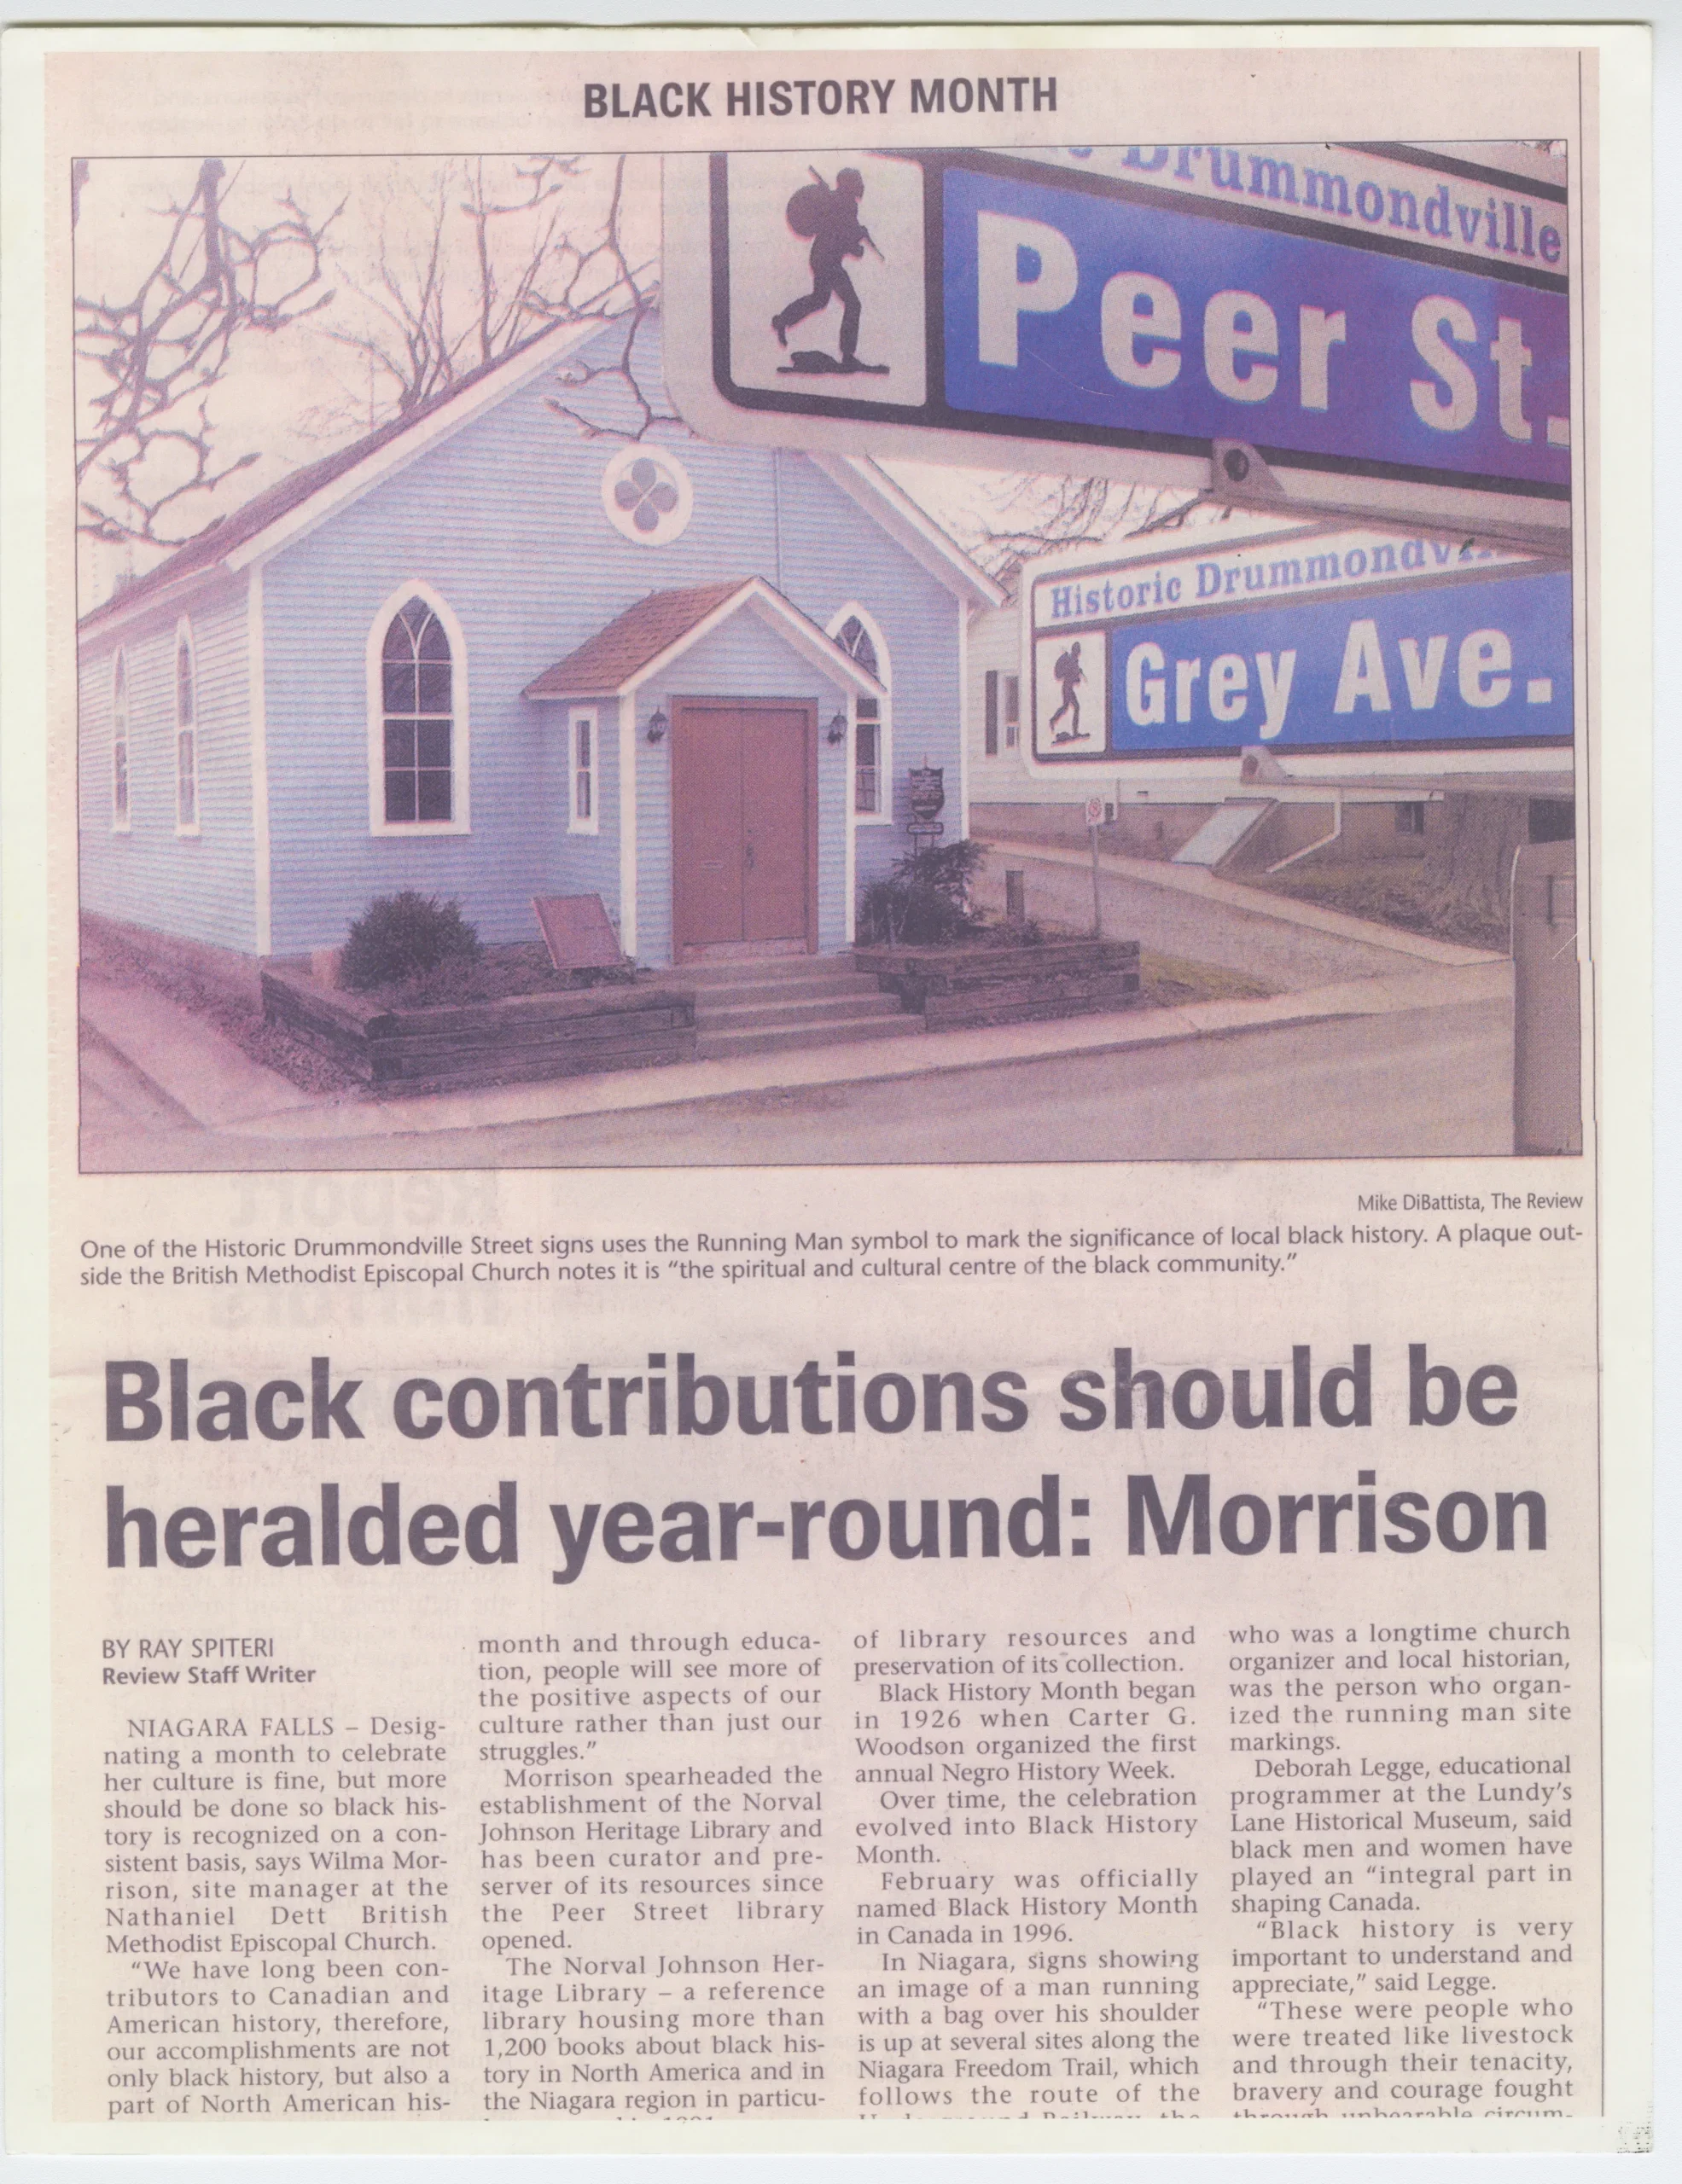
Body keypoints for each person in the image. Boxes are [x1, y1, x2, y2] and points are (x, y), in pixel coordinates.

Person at [773, 168, 871, 366]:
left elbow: (843, 235)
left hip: (823, 258)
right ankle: (848, 356)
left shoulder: (839, 201)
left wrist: (857, 237)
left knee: (819, 299)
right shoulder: (845, 204)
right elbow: (843, 237)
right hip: (828, 261)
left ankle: (783, 320)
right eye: (857, 181)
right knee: (853, 304)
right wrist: (858, 240)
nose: (861, 185)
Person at [1048, 641, 1086, 741]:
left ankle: (1054, 720)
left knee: (1067, 707)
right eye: (1078, 650)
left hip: (1068, 687)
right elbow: (1069, 674)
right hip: (1067, 687)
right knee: (1075, 707)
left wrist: (1078, 673)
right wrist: (1076, 673)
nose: (1079, 652)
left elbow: (1075, 678)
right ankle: (1074, 732)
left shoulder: (1073, 660)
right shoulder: (1071, 660)